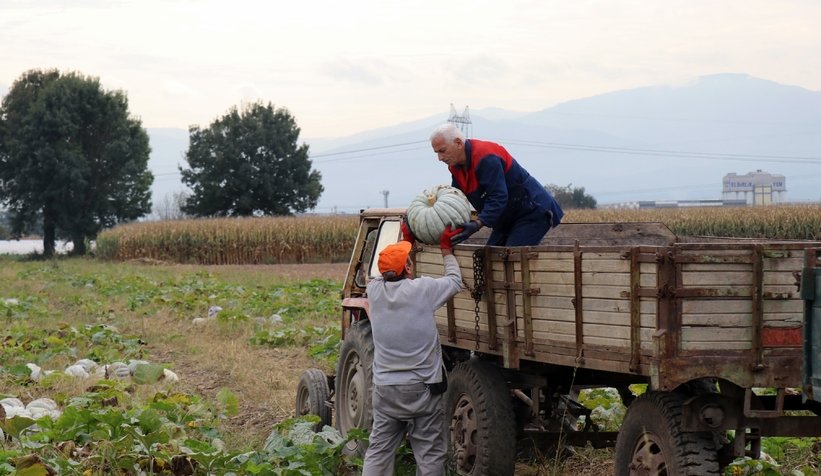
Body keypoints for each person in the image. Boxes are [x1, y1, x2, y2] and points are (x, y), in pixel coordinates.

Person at [362, 226, 463, 476]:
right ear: (408, 268)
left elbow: (383, 275)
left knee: (379, 450)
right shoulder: (422, 290)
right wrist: (446, 250)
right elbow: (454, 281)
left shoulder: (373, 291)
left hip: (386, 390)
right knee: (429, 454)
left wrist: (405, 242)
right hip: (422, 390)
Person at [430, 123, 564, 246]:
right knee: (489, 257)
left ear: (458, 143)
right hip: (506, 218)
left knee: (511, 259)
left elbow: (498, 197)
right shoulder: (455, 166)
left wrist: (477, 224)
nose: (440, 158)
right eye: (437, 153)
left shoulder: (486, 157)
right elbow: (456, 199)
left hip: (531, 211)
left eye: (442, 151)